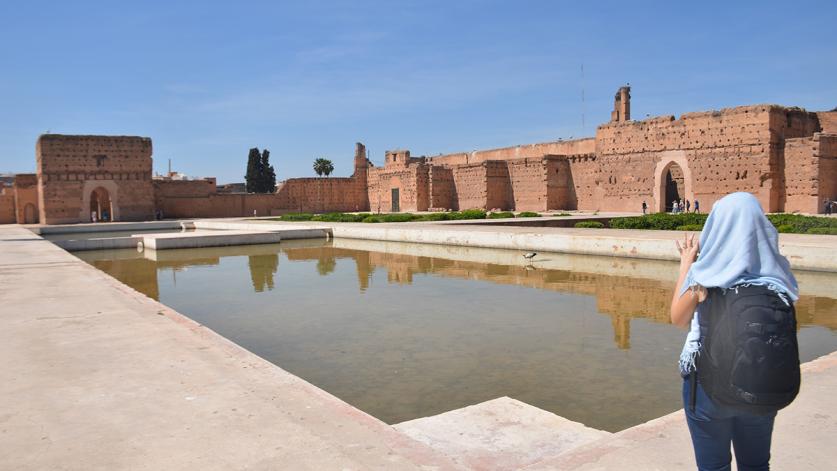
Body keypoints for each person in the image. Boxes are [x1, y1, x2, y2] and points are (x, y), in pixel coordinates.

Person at [670, 192, 799, 471]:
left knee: (714, 467)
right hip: (762, 383)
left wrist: (686, 264)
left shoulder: (707, 273)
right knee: (756, 465)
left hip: (708, 388)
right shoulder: (778, 276)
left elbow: (678, 318)